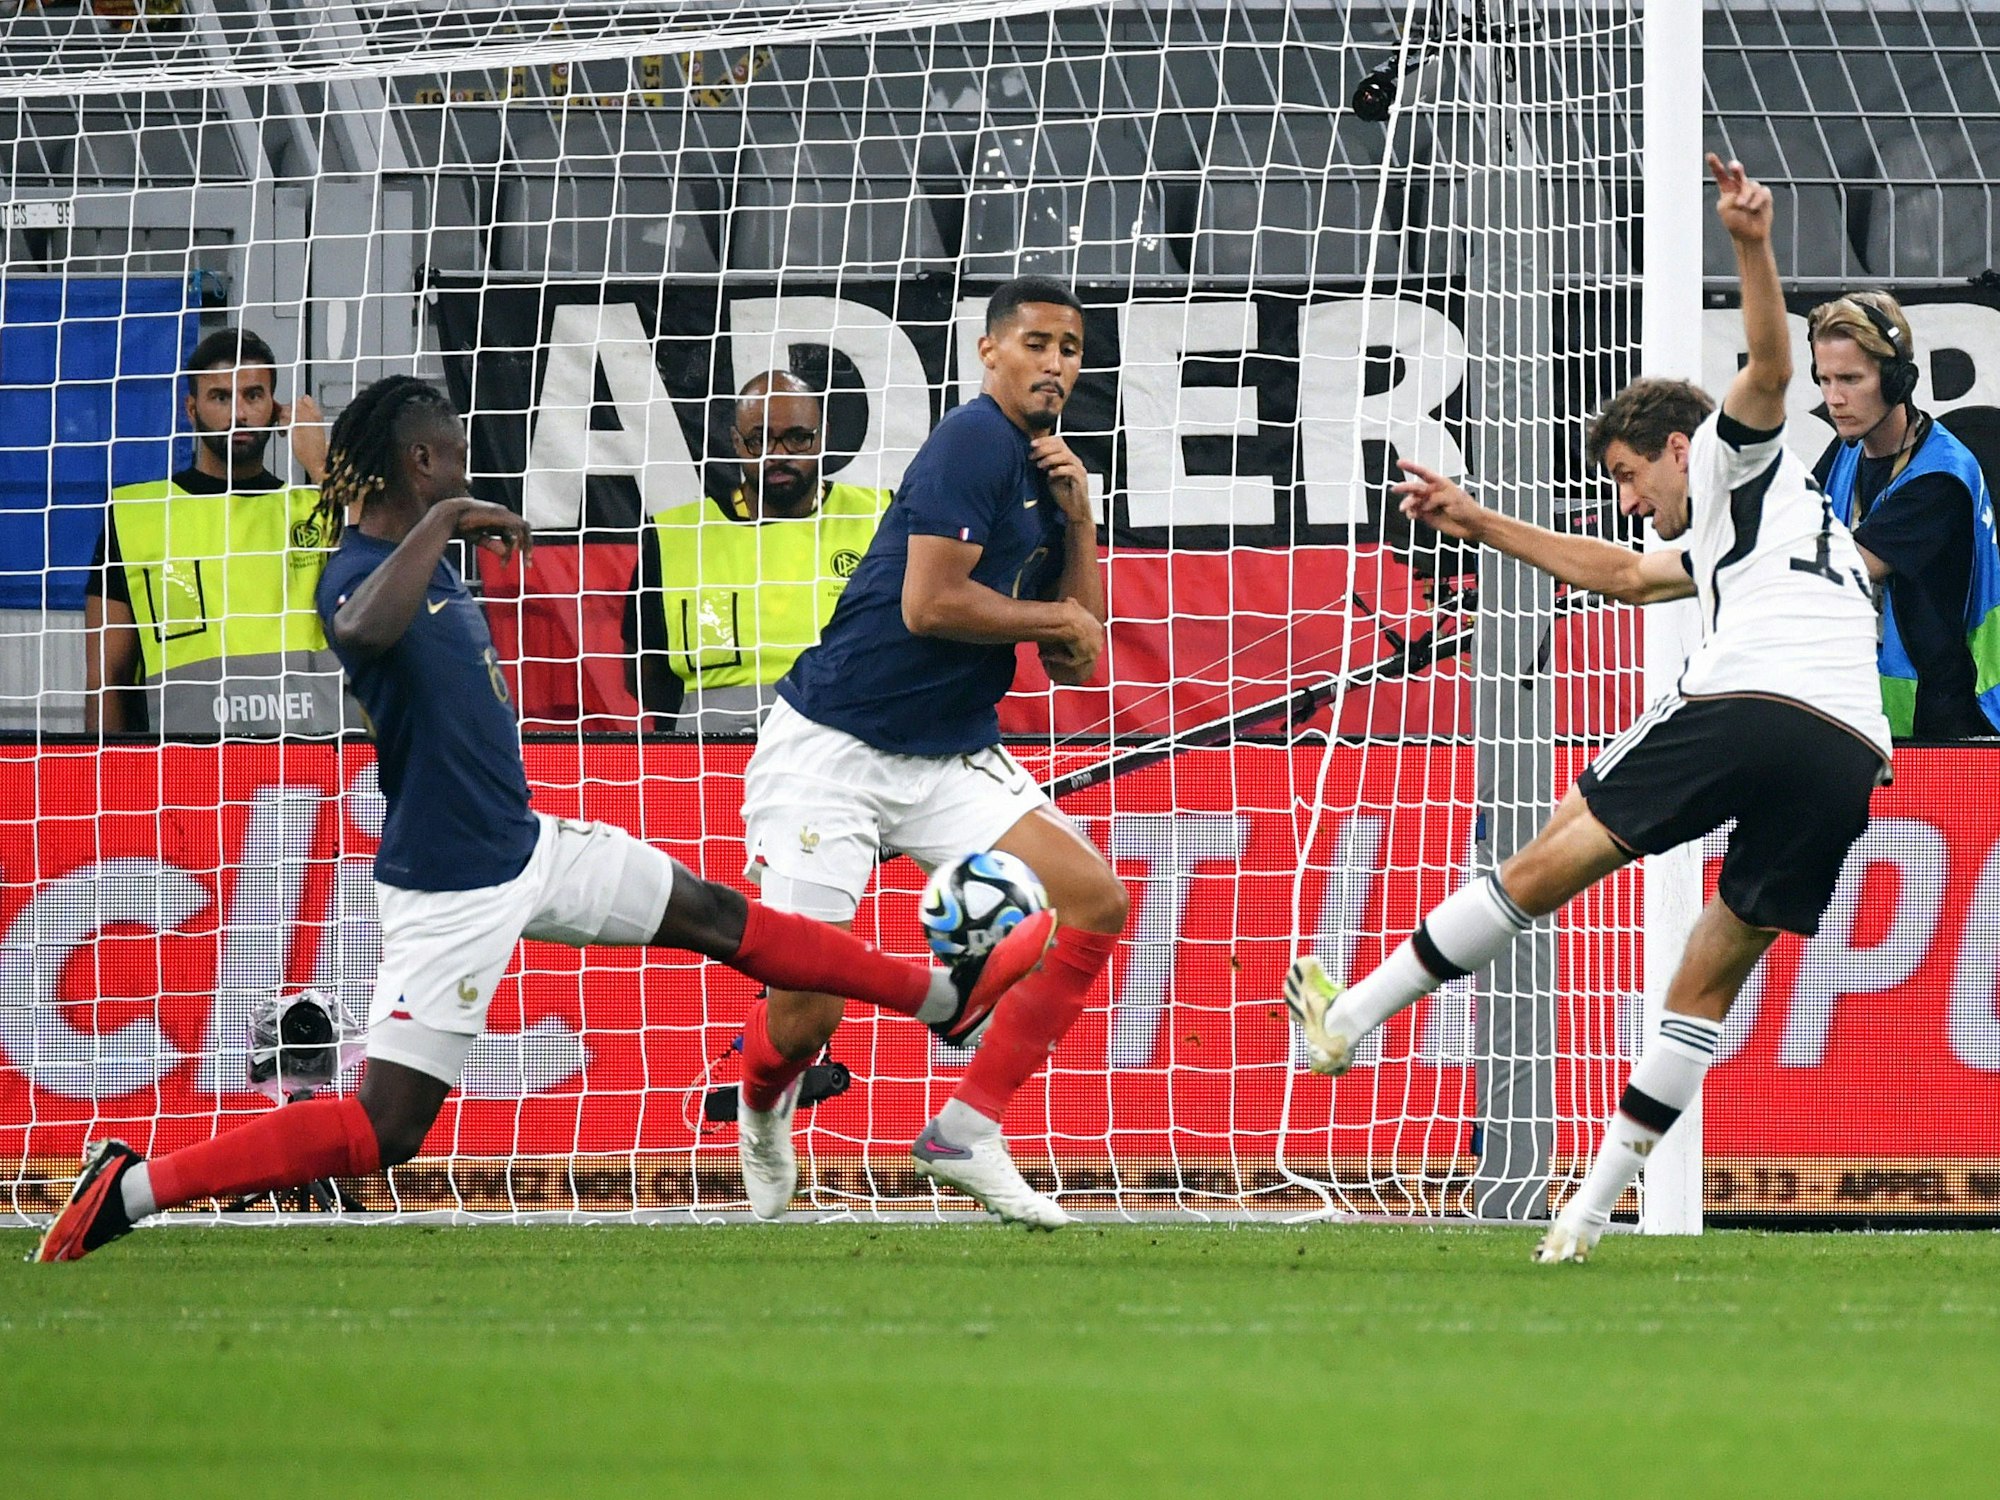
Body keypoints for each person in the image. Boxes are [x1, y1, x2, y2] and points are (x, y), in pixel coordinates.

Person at [32, 375, 1053, 1263]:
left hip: (531, 844)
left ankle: (937, 1000)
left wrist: (439, 535)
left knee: (716, 917)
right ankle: (130, 1188)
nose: (466, 472)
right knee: (384, 1130)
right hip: (451, 887)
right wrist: (440, 524)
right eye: (454, 459)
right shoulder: (360, 569)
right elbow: (355, 628)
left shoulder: (429, 563)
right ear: (422, 461)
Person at [1285, 157, 1892, 1264]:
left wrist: (1749, 241)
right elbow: (1623, 574)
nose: (1628, 500)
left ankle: (1351, 1016)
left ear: (1675, 447)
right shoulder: (1778, 515)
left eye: (1625, 475)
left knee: (1542, 862)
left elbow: (1761, 363)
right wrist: (1476, 520)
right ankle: (1584, 1214)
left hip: (1749, 694)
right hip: (1847, 748)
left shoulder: (1726, 451)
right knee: (1708, 976)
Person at [733, 275, 1129, 1230]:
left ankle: (966, 1128)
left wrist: (1079, 520)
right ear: (990, 351)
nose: (1055, 363)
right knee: (806, 1013)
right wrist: (1057, 615)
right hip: (833, 747)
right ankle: (760, 1103)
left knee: (1096, 901)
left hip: (944, 753)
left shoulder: (1045, 469)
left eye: (1070, 349)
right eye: (1036, 343)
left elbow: (1081, 660)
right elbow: (930, 605)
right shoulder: (970, 440)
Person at [84, 327, 343, 737]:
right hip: (183, 776)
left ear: (274, 408)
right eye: (221, 397)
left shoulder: (319, 509)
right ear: (191, 409)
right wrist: (103, 782)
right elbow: (106, 677)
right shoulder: (137, 515)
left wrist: (320, 463)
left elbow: (383, 586)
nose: (238, 413)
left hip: (302, 774)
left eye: (253, 396)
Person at [623, 371, 889, 734]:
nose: (778, 454)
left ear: (822, 436)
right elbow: (645, 675)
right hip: (712, 761)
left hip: (853, 748)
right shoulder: (676, 536)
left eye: (798, 438)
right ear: (736, 441)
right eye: (759, 439)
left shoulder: (882, 520)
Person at [1806, 290, 2000, 739]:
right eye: (1824, 380)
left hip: (1946, 728)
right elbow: (1795, 522)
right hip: (1877, 713)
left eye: (1850, 379)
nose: (1833, 399)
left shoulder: (1941, 478)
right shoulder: (1847, 450)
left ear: (1897, 381)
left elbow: (1837, 570)